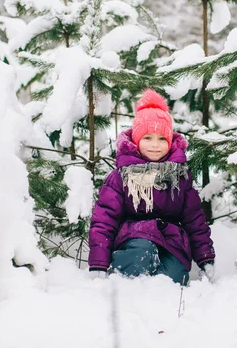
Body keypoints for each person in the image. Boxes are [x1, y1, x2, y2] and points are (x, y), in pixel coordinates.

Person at [88, 89, 215, 285]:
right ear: (136, 141)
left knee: (175, 278)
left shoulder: (179, 177)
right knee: (143, 251)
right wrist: (98, 262)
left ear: (171, 141)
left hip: (171, 242)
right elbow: (104, 220)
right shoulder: (122, 176)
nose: (155, 145)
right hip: (134, 238)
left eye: (162, 138)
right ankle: (124, 284)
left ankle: (157, 302)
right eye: (147, 138)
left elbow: (194, 220)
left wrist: (205, 258)